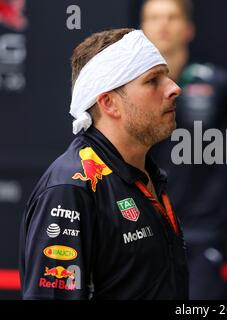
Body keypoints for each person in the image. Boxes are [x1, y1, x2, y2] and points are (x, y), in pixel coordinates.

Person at [19, 28, 189, 299]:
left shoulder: (148, 174)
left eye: (166, 76)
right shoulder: (70, 188)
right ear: (109, 103)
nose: (174, 88)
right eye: (153, 80)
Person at [141, 0, 227, 299]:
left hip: (201, 230)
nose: (163, 24)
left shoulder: (217, 82)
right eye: (154, 18)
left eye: (172, 17)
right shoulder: (129, 87)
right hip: (143, 228)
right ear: (142, 29)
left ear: (188, 28)